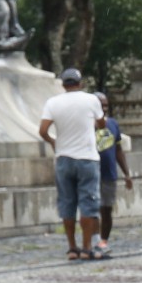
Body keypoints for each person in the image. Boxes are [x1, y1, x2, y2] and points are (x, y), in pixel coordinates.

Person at [38, 67, 104, 260]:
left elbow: (42, 130)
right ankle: (86, 247)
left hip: (64, 158)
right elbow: (102, 124)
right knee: (87, 203)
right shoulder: (91, 100)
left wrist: (53, 142)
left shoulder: (53, 102)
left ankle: (72, 247)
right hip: (87, 157)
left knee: (67, 203)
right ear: (80, 83)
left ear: (63, 84)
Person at [93, 92, 133, 254]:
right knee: (91, 210)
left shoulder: (113, 124)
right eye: (100, 105)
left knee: (107, 209)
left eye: (106, 105)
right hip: (91, 173)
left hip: (109, 173)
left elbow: (118, 150)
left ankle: (103, 241)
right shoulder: (86, 125)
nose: (104, 108)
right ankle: (92, 240)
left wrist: (127, 173)